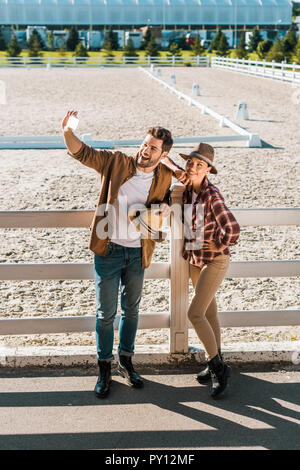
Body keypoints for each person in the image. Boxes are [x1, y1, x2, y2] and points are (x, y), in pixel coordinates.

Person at [61, 110, 186, 398]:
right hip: (109, 251)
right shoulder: (117, 162)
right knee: (105, 314)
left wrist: (169, 189)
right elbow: (82, 153)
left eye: (153, 148)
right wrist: (67, 131)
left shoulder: (164, 176)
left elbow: (183, 188)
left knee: (132, 311)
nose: (145, 150)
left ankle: (126, 362)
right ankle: (104, 367)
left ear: (162, 154)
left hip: (138, 254)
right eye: (144, 144)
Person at [175, 142, 240, 399]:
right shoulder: (188, 192)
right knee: (210, 314)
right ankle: (215, 361)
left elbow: (233, 229)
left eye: (199, 165)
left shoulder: (211, 195)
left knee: (195, 313)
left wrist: (221, 241)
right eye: (191, 162)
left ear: (208, 169)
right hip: (195, 260)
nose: (192, 167)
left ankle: (218, 368)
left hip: (214, 260)